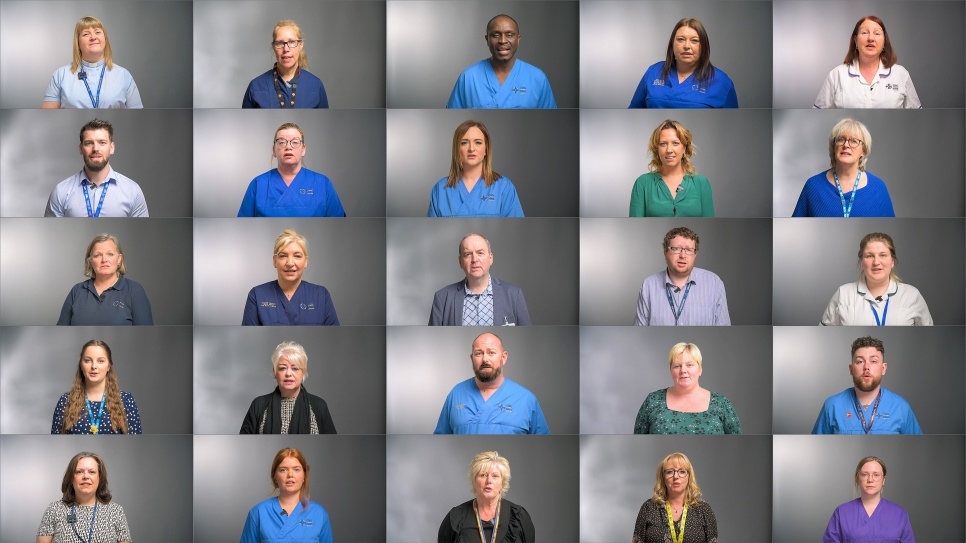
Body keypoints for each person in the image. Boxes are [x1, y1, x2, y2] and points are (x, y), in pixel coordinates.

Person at [434, 332, 550, 434]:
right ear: (472, 358)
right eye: (479, 353)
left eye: (491, 353)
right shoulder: (456, 394)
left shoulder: (526, 399)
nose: (485, 359)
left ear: (503, 358)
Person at [812, 336, 922, 434]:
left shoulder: (901, 406)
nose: (866, 367)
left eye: (873, 361)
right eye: (860, 361)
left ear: (883, 368)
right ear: (851, 369)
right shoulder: (832, 406)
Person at [821, 232, 932, 325]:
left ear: (892, 261)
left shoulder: (912, 295)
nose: (876, 262)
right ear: (861, 262)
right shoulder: (843, 294)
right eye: (869, 256)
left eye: (883, 255)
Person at [446, 14, 556, 109]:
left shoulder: (537, 78)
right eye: (496, 35)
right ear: (487, 39)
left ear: (518, 40)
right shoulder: (468, 77)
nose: (503, 41)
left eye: (509, 35)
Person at [45, 118, 149, 217]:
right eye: (89, 143)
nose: (95, 149)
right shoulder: (60, 191)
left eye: (102, 143)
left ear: (111, 148)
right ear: (81, 149)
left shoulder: (132, 191)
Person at [237, 123, 345, 217]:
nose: (288, 147)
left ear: (303, 149)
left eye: (295, 142)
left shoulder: (323, 183)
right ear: (274, 150)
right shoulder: (258, 184)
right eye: (282, 142)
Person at [792, 118, 895, 217]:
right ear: (833, 147)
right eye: (841, 140)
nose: (846, 145)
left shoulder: (878, 188)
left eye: (854, 141)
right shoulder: (813, 186)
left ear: (863, 150)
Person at [814, 16, 921, 109]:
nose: (870, 38)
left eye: (877, 33)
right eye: (864, 33)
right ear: (855, 40)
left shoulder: (901, 74)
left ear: (884, 42)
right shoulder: (836, 75)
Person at [629, 18, 737, 109]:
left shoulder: (721, 81)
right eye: (681, 39)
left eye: (694, 41)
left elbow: (732, 121)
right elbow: (633, 113)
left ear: (703, 46)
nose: (687, 46)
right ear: (673, 44)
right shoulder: (653, 72)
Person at [634, 343, 741, 434]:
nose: (683, 370)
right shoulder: (653, 401)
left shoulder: (721, 404)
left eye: (689, 365)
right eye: (677, 366)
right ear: (671, 370)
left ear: (700, 369)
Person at [634, 227, 730, 326]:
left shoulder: (714, 283)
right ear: (665, 252)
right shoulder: (648, 286)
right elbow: (639, 332)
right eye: (676, 249)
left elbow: (724, 330)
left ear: (695, 254)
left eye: (689, 250)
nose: (683, 255)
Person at [429, 233, 531, 326]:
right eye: (468, 254)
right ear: (460, 261)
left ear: (491, 258)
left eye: (480, 253)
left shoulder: (514, 294)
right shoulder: (442, 298)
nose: (474, 260)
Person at [428, 120, 524, 217]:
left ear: (486, 149)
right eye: (464, 143)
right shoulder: (440, 190)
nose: (471, 149)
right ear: (457, 149)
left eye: (478, 142)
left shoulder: (504, 187)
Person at [242, 229, 339, 326]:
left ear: (305, 261)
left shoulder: (321, 295)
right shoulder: (257, 295)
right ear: (275, 261)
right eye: (283, 256)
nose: (290, 263)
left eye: (297, 256)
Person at [42, 16, 142, 109]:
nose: (93, 37)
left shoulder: (124, 75)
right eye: (86, 34)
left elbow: (138, 117)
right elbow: (46, 116)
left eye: (98, 32)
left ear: (105, 39)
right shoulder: (60, 75)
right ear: (78, 43)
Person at [240, 341, 337, 434]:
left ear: (303, 372)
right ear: (275, 372)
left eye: (295, 368)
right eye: (283, 368)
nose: (288, 373)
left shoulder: (319, 406)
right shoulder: (259, 405)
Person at [438, 451, 536, 542]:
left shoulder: (519, 517)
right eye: (483, 475)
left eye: (495, 476)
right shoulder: (456, 518)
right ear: (474, 480)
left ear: (503, 482)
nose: (489, 481)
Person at [57, 233, 154, 325]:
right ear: (90, 261)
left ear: (119, 259)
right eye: (97, 255)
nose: (104, 260)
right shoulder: (77, 291)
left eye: (110, 254)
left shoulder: (134, 291)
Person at [240, 448, 333, 543]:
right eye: (283, 470)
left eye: (296, 469)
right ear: (274, 476)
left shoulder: (319, 513)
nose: (290, 475)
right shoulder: (258, 512)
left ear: (304, 476)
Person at [36, 452, 132, 543]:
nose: (86, 476)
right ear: (71, 478)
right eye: (79, 472)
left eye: (92, 472)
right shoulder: (54, 510)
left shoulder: (116, 511)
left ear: (100, 477)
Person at [51, 340, 142, 434]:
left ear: (109, 366)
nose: (94, 366)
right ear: (81, 365)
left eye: (101, 361)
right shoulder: (65, 401)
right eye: (87, 360)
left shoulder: (126, 400)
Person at [630, 120, 714, 217]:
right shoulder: (642, 183)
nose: (669, 150)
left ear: (684, 148)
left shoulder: (701, 183)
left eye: (675, 143)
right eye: (663, 144)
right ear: (657, 149)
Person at [822, 456, 915, 542]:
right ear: (858, 478)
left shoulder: (900, 515)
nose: (870, 480)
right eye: (865, 474)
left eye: (876, 475)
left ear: (883, 480)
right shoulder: (842, 513)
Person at [632, 452, 718, 543]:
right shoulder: (648, 508)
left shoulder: (704, 510)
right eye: (669, 472)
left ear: (689, 477)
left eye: (682, 472)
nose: (676, 476)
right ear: (663, 478)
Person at [242, 20, 328, 108]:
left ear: (301, 45)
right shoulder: (255, 86)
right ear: (273, 47)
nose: (286, 49)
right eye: (280, 43)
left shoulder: (316, 85)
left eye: (291, 42)